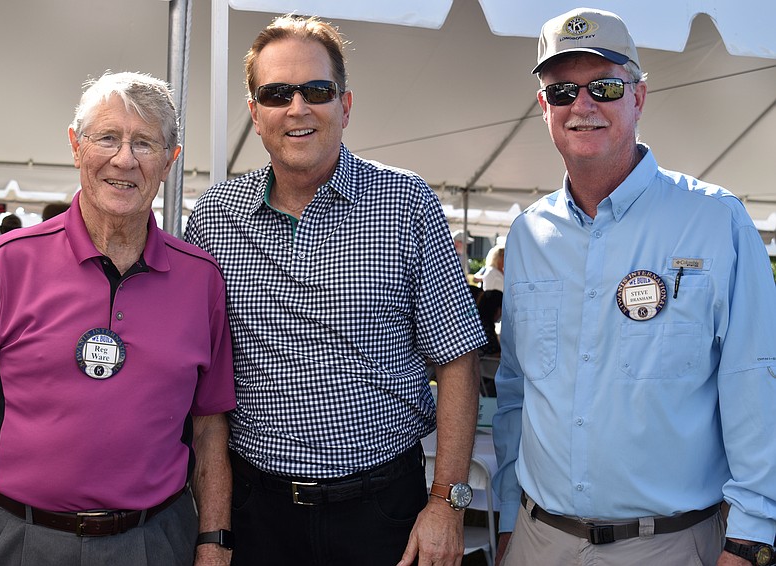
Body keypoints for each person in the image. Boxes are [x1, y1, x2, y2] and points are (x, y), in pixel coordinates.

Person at [185, 14, 486, 566]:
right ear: (255, 114)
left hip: (382, 511)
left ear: (344, 106)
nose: (297, 108)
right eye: (277, 93)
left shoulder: (407, 203)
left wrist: (448, 502)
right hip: (258, 515)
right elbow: (201, 391)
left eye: (316, 90)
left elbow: (458, 363)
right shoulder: (213, 219)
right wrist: (215, 529)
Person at [493, 7, 776, 566]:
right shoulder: (529, 233)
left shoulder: (716, 221)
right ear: (543, 109)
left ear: (639, 98)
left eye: (604, 86)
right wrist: (506, 520)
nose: (583, 105)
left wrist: (749, 540)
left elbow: (755, 382)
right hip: (538, 539)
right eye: (562, 91)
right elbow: (516, 390)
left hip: (669, 545)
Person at [0, 71, 236, 566]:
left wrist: (213, 542)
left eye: (145, 143)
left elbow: (209, 427)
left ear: (170, 161)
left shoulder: (201, 280)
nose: (124, 159)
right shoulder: (8, 263)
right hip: (16, 539)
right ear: (75, 146)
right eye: (107, 138)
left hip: (153, 542)